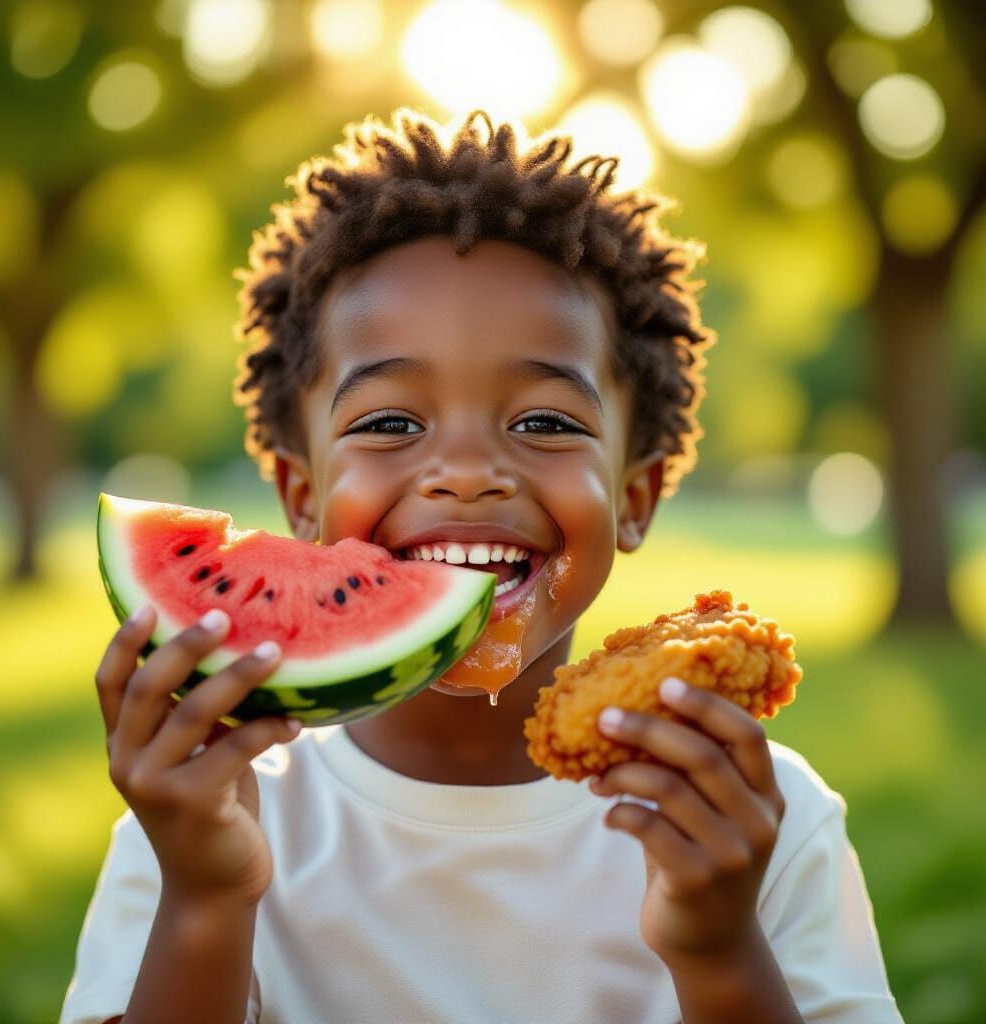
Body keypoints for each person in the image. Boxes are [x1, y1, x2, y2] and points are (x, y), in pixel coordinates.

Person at [60, 108, 902, 1024]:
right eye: (390, 423)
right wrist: (204, 902)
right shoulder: (194, 821)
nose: (465, 473)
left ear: (636, 496)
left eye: (544, 422)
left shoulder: (756, 822)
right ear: (301, 497)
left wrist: (719, 950)